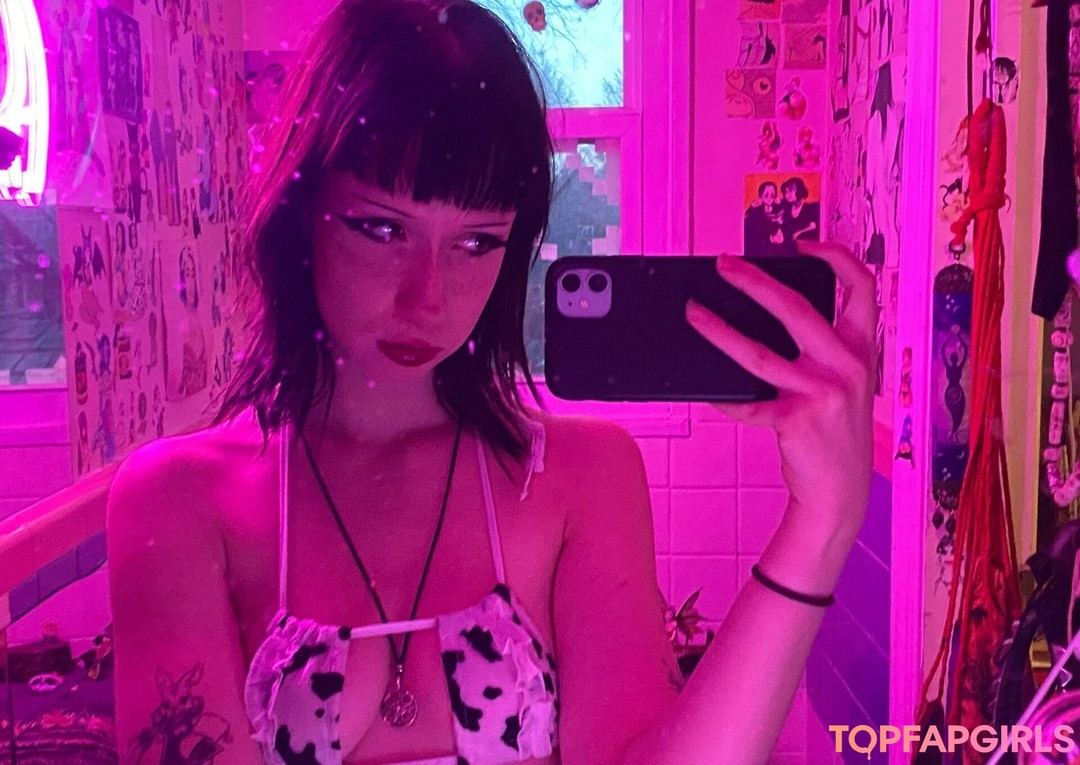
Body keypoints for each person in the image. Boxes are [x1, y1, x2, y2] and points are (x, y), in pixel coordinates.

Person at [106, 1, 876, 764]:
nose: (429, 296)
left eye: (477, 242)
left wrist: (822, 519)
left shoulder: (583, 475)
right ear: (302, 210)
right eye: (384, 228)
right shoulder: (178, 497)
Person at [743, 181, 786, 257]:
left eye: (772, 195)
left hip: (777, 246)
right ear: (761, 196)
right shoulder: (756, 211)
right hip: (760, 247)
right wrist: (751, 207)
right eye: (766, 195)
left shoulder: (778, 208)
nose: (769, 198)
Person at [779, 176, 820, 243]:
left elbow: (813, 226)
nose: (788, 194)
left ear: (799, 190)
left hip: (806, 243)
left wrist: (799, 233)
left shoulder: (810, 208)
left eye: (791, 191)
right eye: (786, 192)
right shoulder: (786, 208)